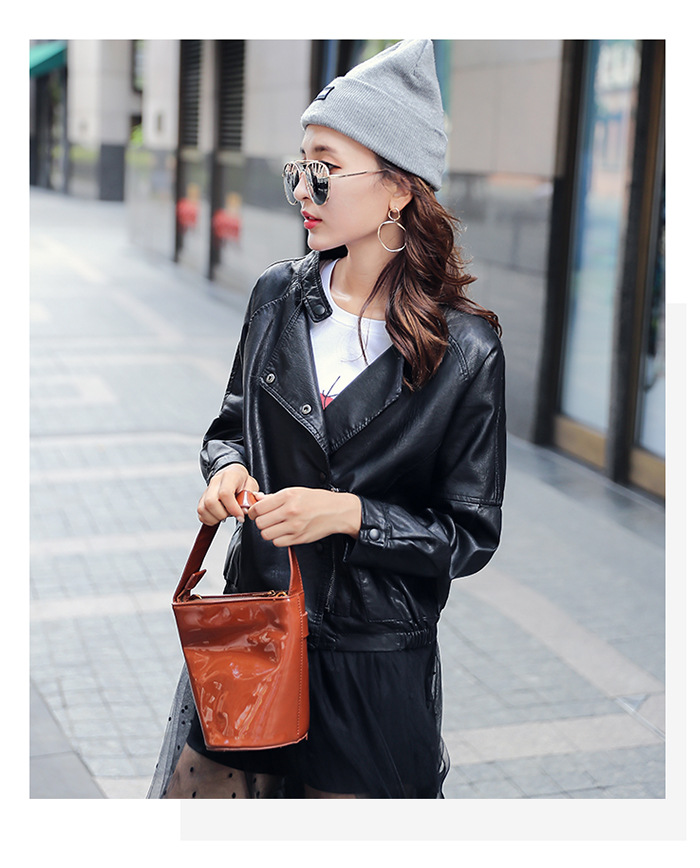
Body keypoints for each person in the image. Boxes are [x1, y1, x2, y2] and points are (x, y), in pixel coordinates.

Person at [148, 39, 506, 800]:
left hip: (371, 663)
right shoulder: (278, 295)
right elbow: (231, 426)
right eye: (297, 167)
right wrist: (228, 472)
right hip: (257, 631)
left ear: (398, 189)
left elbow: (468, 536)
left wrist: (349, 515)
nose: (301, 190)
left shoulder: (466, 350)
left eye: (324, 167)